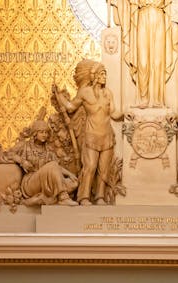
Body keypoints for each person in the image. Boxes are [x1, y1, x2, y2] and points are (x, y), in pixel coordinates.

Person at [52, 60, 124, 205]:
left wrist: (126, 114)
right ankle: (84, 197)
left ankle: (100, 197)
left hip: (107, 135)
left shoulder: (108, 93)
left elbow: (114, 113)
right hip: (91, 135)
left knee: (104, 169)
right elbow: (71, 107)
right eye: (102, 74)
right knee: (90, 166)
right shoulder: (85, 92)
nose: (105, 77)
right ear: (95, 76)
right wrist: (59, 97)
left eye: (105, 74)